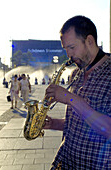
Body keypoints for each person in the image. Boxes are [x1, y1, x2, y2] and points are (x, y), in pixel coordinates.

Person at [44, 15, 111, 169]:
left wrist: (70, 98)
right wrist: (54, 123)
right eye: (65, 48)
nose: (68, 54)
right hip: (65, 160)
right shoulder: (77, 74)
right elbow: (80, 122)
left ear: (89, 41)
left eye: (72, 47)